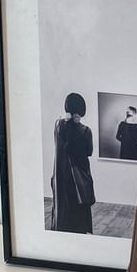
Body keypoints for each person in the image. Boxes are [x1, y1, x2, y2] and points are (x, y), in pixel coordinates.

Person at [51, 92, 95, 234]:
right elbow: (89, 152)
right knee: (79, 214)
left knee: (64, 211)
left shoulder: (58, 126)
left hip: (61, 177)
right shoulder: (86, 131)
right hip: (79, 178)